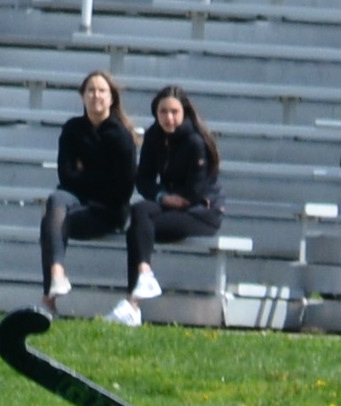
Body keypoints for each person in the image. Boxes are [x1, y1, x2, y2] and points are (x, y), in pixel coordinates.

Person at [116, 85, 225, 328]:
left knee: (138, 228)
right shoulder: (154, 136)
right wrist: (162, 196)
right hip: (171, 203)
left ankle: (132, 303)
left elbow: (196, 191)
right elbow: (143, 179)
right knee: (139, 211)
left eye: (174, 112)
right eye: (163, 112)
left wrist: (174, 198)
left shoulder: (195, 141)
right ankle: (144, 276)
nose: (169, 118)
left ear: (184, 112)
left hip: (201, 211)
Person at [40, 70, 135, 311]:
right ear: (83, 96)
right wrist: (101, 177)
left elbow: (122, 188)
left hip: (107, 211)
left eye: (102, 90)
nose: (96, 95)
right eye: (90, 90)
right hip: (75, 202)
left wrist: (83, 174)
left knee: (50, 222)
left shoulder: (121, 136)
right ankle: (57, 274)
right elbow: (66, 175)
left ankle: (49, 299)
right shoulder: (72, 129)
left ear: (111, 98)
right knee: (55, 200)